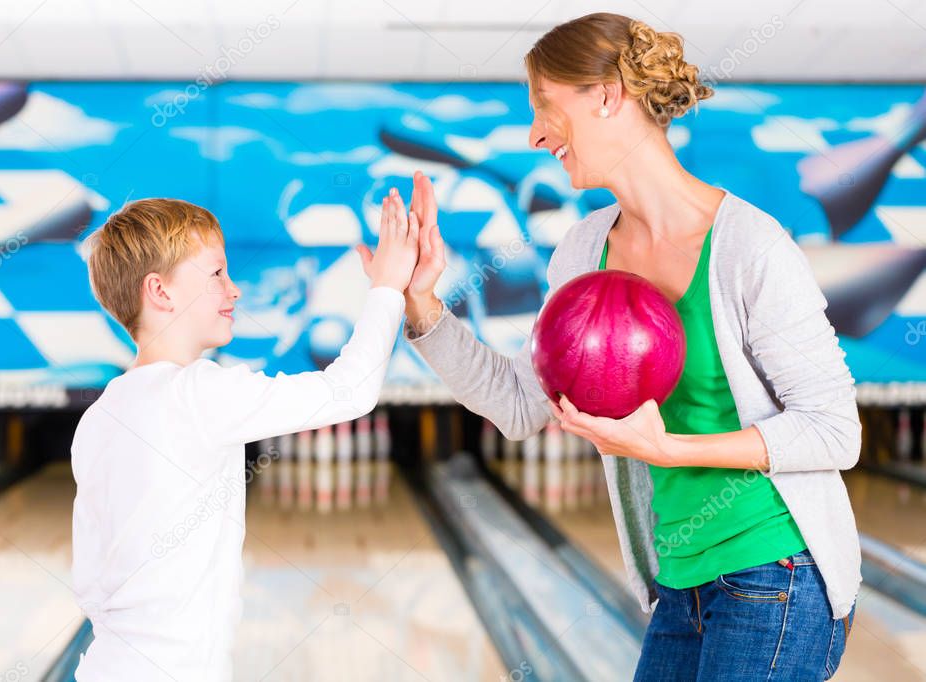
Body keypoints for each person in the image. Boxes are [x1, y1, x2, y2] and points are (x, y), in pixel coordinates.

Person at [402, 12, 860, 681]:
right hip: (679, 585)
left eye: (544, 108)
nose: (533, 135)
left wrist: (666, 449)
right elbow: (522, 404)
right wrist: (421, 303)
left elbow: (832, 432)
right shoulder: (582, 250)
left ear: (608, 95)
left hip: (778, 572)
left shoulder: (748, 248)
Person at [71, 190, 418, 680]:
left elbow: (88, 582)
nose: (235, 290)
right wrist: (387, 287)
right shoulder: (198, 393)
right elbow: (351, 391)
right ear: (160, 292)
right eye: (217, 274)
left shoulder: (99, 416)